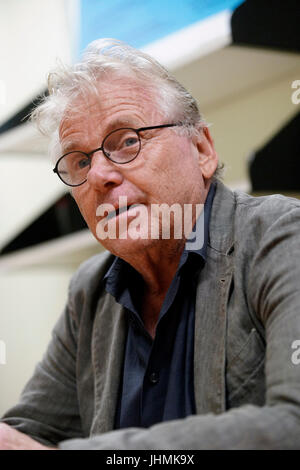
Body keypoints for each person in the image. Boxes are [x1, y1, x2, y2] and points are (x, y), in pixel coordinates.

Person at [1, 38, 300, 450]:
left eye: (126, 140)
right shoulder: (88, 290)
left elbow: (293, 424)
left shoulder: (281, 235)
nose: (99, 175)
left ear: (202, 150)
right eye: (81, 161)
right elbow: (30, 435)